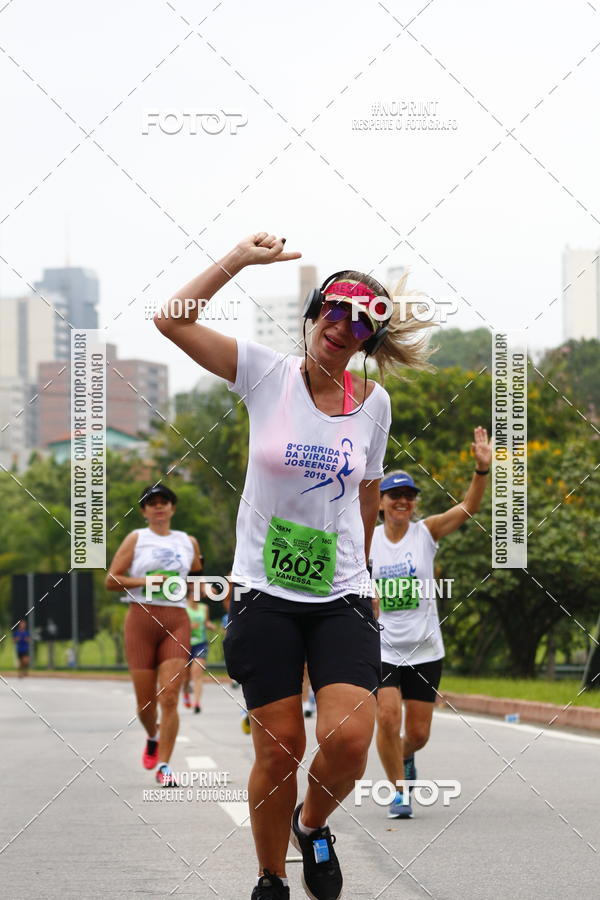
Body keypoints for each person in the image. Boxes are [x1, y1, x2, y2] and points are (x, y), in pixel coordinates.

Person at [154, 231, 433, 900]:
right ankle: (271, 879)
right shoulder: (264, 373)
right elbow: (170, 319)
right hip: (263, 592)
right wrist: (242, 259)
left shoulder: (375, 405)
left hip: (338, 594)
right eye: (335, 310)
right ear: (313, 313)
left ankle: (312, 825)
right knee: (278, 746)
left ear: (368, 340)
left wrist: (362, 574)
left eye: (362, 321)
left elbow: (367, 494)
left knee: (348, 740)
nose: (344, 327)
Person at [373, 428, 491, 819]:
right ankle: (398, 791)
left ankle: (402, 758)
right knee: (388, 720)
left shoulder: (426, 533)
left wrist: (481, 470)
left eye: (409, 496)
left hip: (425, 649)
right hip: (383, 649)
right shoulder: (366, 539)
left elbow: (467, 508)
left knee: (418, 735)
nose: (403, 501)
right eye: (395, 496)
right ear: (381, 502)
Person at [105, 483, 203, 787]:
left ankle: (164, 765)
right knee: (146, 704)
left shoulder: (188, 542)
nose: (158, 507)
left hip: (176, 620)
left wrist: (197, 592)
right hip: (141, 620)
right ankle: (152, 735)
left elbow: (197, 575)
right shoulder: (137, 538)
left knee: (170, 696)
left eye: (164, 502)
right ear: (144, 511)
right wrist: (147, 580)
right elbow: (111, 580)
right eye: (152, 503)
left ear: (172, 508)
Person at [183, 583, 217, 713]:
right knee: (186, 676)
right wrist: (189, 626)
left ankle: (196, 703)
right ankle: (185, 691)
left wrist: (210, 625)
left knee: (196, 673)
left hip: (200, 644)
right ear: (189, 595)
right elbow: (178, 625)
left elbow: (206, 621)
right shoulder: (183, 607)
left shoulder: (204, 608)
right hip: (185, 643)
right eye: (193, 594)